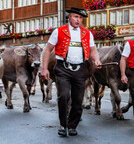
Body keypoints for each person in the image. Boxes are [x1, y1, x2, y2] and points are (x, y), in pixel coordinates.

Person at [41, 7, 102, 137]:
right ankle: (63, 125)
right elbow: (47, 50)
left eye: (80, 18)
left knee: (78, 99)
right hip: (63, 68)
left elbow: (93, 50)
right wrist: (44, 68)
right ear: (69, 17)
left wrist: (96, 59)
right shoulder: (58, 31)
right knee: (64, 96)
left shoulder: (87, 33)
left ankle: (73, 125)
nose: (78, 20)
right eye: (75, 17)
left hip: (80, 69)